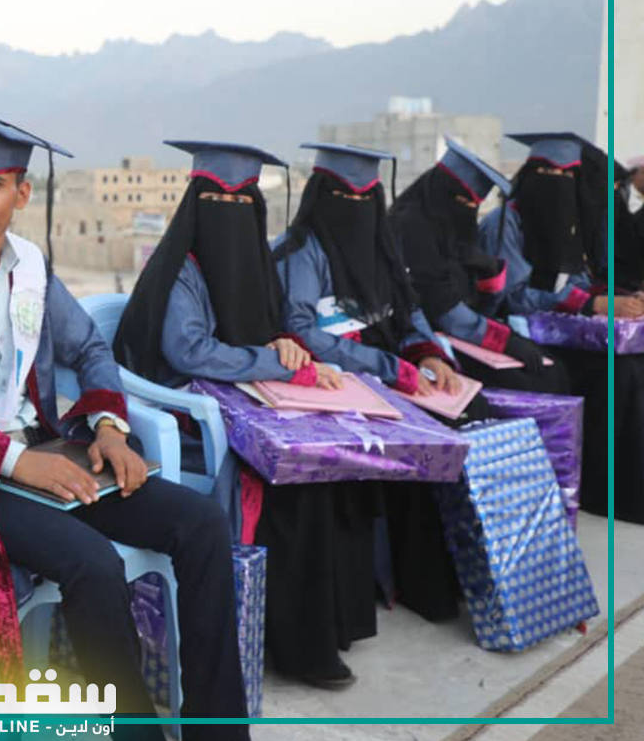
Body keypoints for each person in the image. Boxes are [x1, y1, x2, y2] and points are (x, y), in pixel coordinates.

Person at [0, 101, 250, 741]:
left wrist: (109, 427)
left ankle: (219, 735)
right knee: (92, 562)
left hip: (52, 455)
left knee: (202, 521)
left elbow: (90, 349)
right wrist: (15, 461)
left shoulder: (31, 267)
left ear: (21, 193)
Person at [113, 140, 380, 690]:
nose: (230, 216)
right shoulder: (182, 269)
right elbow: (189, 351)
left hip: (249, 402)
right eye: (218, 201)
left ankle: (325, 627)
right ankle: (298, 649)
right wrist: (273, 362)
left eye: (243, 203)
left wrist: (283, 344)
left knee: (323, 468)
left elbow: (264, 324)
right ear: (195, 204)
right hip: (190, 420)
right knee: (292, 485)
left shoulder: (256, 262)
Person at [275, 143, 488, 625]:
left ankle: (465, 575)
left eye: (365, 198)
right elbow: (303, 330)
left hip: (396, 370)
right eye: (343, 198)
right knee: (419, 437)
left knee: (473, 415)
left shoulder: (381, 244)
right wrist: (389, 367)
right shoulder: (302, 251)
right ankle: (417, 583)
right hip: (341, 379)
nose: (355, 209)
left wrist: (426, 353)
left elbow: (407, 309)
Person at [480, 132, 644, 524]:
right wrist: (592, 304)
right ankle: (598, 487)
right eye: (548, 173)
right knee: (614, 374)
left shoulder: (568, 224)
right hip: (517, 330)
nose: (558, 183)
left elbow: (577, 283)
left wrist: (619, 300)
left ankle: (629, 488)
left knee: (633, 365)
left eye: (568, 176)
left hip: (565, 328)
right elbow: (513, 296)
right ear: (529, 175)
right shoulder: (505, 222)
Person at [387, 137, 568, 393]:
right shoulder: (412, 228)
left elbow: (479, 306)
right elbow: (441, 307)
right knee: (522, 382)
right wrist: (504, 340)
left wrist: (489, 278)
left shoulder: (458, 231)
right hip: (430, 337)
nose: (467, 210)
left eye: (474, 206)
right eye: (462, 202)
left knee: (552, 370)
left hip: (466, 333)